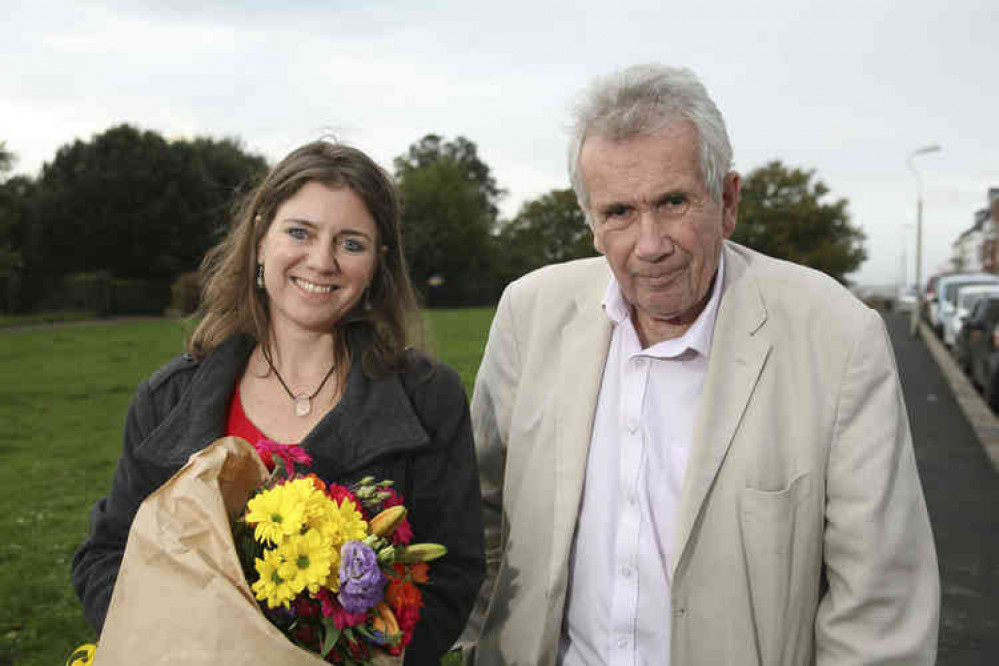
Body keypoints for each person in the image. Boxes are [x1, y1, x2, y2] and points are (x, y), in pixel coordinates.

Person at [465, 65, 939, 664]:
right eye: (618, 213)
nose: (650, 243)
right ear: (590, 223)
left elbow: (880, 608)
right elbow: (472, 513)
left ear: (728, 200)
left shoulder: (838, 338)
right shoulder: (529, 314)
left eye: (673, 202)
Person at [72, 140, 485, 664]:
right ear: (261, 238)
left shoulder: (429, 397)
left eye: (351, 243)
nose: (322, 261)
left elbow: (453, 574)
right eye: (300, 232)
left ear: (377, 264)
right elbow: (107, 556)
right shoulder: (168, 398)